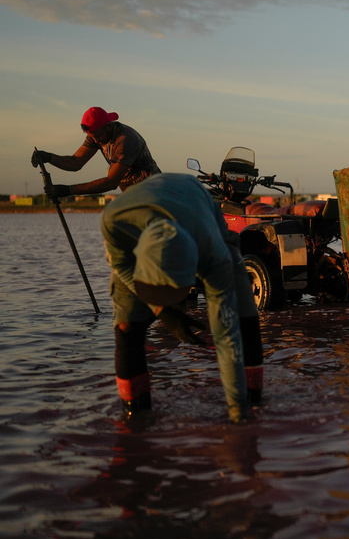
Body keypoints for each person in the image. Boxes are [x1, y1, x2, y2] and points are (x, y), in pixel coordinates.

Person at [100, 173, 265, 423]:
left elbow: (225, 338)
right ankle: (135, 417)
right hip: (138, 236)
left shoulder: (214, 255)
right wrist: (164, 313)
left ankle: (251, 404)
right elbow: (122, 268)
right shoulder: (114, 221)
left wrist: (237, 417)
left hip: (198, 206)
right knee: (126, 325)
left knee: (243, 317)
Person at [31, 106, 161, 199]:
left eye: (98, 136)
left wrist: (68, 190)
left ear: (108, 126)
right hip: (131, 195)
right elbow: (75, 162)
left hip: (153, 192)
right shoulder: (96, 135)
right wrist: (48, 157)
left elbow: (111, 182)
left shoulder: (125, 140)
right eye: (92, 137)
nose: (96, 140)